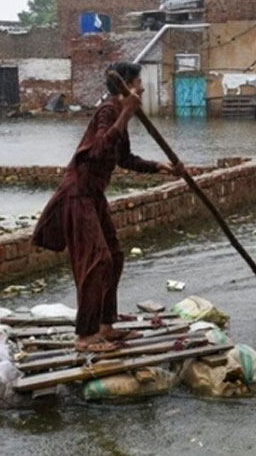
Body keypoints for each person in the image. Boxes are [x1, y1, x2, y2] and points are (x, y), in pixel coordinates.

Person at [32, 62, 184, 352]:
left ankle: (105, 325)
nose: (141, 87)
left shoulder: (118, 115)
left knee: (114, 255)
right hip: (78, 194)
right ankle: (85, 336)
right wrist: (126, 113)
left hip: (94, 195)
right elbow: (99, 149)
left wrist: (160, 167)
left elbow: (123, 158)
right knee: (97, 260)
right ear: (127, 85)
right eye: (138, 82)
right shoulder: (109, 112)